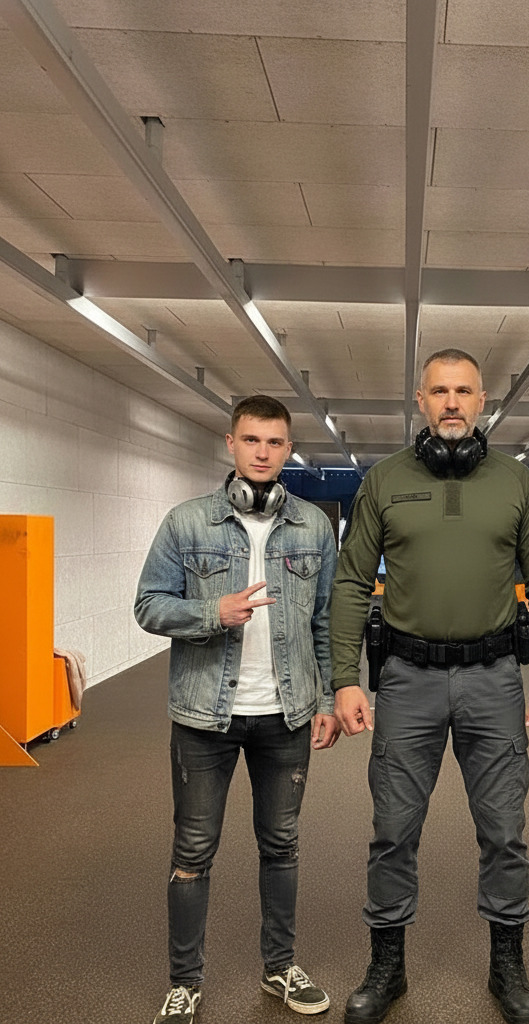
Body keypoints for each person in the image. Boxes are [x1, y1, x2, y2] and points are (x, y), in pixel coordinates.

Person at [330, 349, 529, 1024]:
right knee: (392, 829)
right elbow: (351, 582)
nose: (453, 402)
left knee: (504, 830)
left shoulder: (515, 482)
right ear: (421, 400)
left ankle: (507, 965)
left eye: (464, 390)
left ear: (483, 399)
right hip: (407, 681)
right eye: (440, 391)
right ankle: (387, 967)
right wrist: (344, 680)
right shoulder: (383, 480)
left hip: (494, 680)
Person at [135, 395, 339, 1024]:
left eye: (275, 443)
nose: (263, 453)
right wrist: (210, 612)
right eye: (252, 440)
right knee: (193, 850)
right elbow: (148, 605)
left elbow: (325, 621)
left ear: (289, 449)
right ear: (231, 443)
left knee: (281, 845)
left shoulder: (313, 526)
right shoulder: (186, 522)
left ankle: (279, 969)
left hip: (286, 713)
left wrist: (327, 698)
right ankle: (185, 983)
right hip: (205, 716)